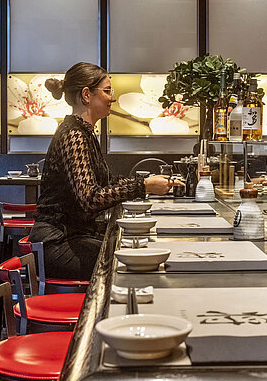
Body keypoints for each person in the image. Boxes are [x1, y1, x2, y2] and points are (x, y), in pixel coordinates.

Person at [29, 62, 182, 280]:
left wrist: (147, 183)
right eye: (107, 91)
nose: (113, 97)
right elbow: (90, 198)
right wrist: (144, 186)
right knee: (134, 260)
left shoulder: (83, 132)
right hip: (58, 243)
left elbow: (107, 183)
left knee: (133, 253)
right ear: (86, 95)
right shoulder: (74, 135)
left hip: (74, 237)